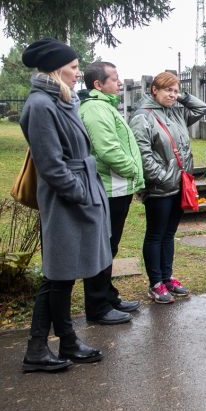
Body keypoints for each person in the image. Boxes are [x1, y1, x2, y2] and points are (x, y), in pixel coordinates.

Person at [18, 39, 111, 372]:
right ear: (57, 69)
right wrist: (80, 193)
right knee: (58, 275)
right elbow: (51, 164)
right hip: (65, 198)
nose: (77, 73)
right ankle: (53, 346)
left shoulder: (61, 100)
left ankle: (45, 347)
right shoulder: (41, 105)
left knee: (60, 276)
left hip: (77, 193)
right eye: (73, 68)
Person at [130, 71, 206, 303]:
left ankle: (167, 277)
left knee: (169, 234)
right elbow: (143, 154)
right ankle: (155, 283)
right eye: (168, 90)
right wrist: (162, 177)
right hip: (159, 187)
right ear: (154, 89)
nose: (173, 95)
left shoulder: (175, 112)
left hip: (179, 184)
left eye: (175, 91)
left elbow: (201, 108)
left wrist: (181, 96)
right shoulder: (142, 117)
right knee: (156, 234)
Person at [78, 61, 144, 323]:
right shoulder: (95, 109)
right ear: (98, 84)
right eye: (114, 79)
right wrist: (133, 170)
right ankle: (97, 307)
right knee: (102, 247)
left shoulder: (104, 106)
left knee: (109, 247)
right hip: (108, 189)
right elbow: (107, 149)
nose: (119, 83)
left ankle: (108, 296)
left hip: (116, 188)